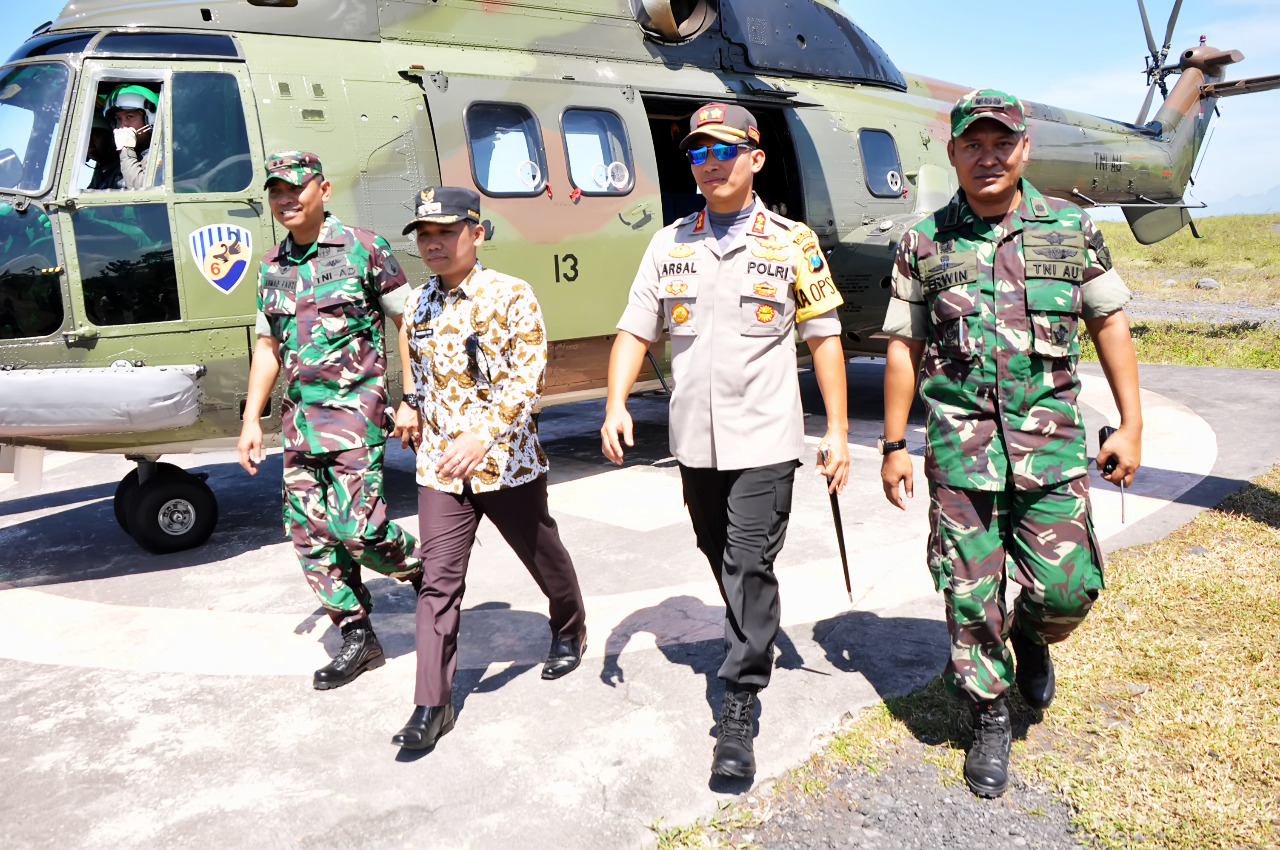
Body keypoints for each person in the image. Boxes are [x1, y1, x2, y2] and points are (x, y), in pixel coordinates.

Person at [879, 89, 1142, 798]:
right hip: (960, 456)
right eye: (973, 144)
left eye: (1002, 143)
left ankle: (1031, 638)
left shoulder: (1070, 229)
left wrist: (1132, 420)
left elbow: (1109, 322)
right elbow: (903, 345)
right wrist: (894, 444)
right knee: (970, 598)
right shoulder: (925, 241)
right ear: (954, 152)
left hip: (1051, 449)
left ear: (1024, 149)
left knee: (1069, 589)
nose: (988, 156)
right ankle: (989, 714)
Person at [600, 103, 851, 779]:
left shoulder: (792, 242)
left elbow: (824, 338)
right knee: (720, 553)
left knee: (746, 564)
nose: (709, 164)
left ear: (756, 159)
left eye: (722, 151)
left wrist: (835, 430)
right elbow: (635, 328)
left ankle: (738, 703)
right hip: (695, 445)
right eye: (697, 154)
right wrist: (617, 402)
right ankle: (755, 626)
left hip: (765, 440)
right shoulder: (669, 242)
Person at [389, 186, 588, 751]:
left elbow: (530, 377)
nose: (434, 244)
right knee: (437, 582)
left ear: (477, 233)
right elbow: (409, 345)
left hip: (507, 462)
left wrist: (483, 434)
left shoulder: (512, 296)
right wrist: (410, 400)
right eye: (425, 235)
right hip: (442, 467)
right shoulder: (420, 302)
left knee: (542, 555)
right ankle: (432, 703)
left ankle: (569, 629)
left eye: (446, 232)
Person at [237, 151, 422, 690]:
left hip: (354, 417)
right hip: (299, 424)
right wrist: (253, 420)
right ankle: (358, 635)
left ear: (323, 189)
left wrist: (408, 399)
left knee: (358, 530)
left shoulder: (365, 248)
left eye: (295, 188)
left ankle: (422, 568)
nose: (285, 200)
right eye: (275, 192)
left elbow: (409, 322)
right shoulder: (273, 266)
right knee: (310, 535)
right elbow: (268, 347)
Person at [102, 84, 158, 190]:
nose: (123, 125)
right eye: (118, 119)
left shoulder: (164, 153)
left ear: (150, 119)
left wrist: (126, 150)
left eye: (130, 117)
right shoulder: (122, 162)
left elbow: (143, 193)